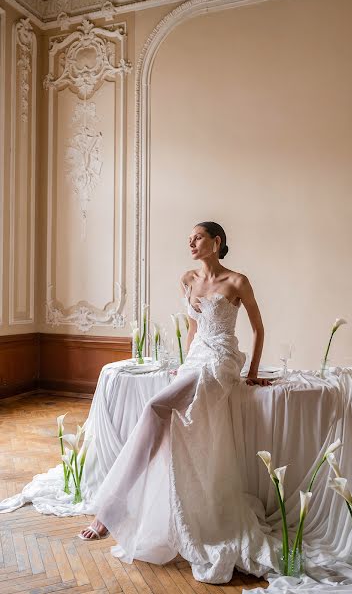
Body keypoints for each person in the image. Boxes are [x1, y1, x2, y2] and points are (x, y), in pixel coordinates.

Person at [79, 221, 276, 583]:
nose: (191, 242)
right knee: (161, 418)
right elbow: (193, 329)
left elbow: (258, 329)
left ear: (216, 242)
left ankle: (111, 507)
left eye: (198, 237)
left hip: (221, 361)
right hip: (197, 359)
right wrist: (185, 367)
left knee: (155, 409)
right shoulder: (187, 279)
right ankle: (122, 505)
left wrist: (251, 374)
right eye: (189, 238)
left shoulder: (237, 282)